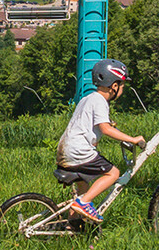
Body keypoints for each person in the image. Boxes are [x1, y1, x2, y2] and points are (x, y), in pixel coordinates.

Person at [58, 58, 146, 223]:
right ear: (114, 86)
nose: (122, 89)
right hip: (78, 151)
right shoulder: (100, 101)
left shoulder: (88, 98)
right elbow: (105, 129)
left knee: (82, 189)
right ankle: (84, 204)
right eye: (122, 85)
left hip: (66, 149)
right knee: (114, 173)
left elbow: (92, 125)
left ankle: (72, 225)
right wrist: (133, 139)